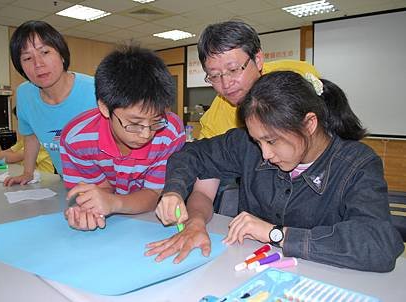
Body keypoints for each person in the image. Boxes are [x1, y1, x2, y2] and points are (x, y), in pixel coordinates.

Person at [148, 71, 404, 272]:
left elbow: (378, 244)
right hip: (247, 274)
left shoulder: (356, 164)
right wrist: (173, 191)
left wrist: (277, 234)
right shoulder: (248, 145)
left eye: (271, 141)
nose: (265, 154)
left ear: (309, 123)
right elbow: (191, 154)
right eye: (257, 141)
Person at [146, 20, 322, 260]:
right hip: (259, 234)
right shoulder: (217, 119)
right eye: (215, 76)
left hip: (315, 224)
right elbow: (204, 189)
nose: (226, 84)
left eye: (233, 69)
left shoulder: (296, 77)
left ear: (258, 60)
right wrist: (195, 221)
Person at [60, 45, 186, 231]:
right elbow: (96, 190)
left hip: (151, 223)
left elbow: (153, 194)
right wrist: (86, 208)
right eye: (134, 123)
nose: (146, 134)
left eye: (155, 121)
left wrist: (113, 203)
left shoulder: (169, 132)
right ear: (104, 107)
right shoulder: (77, 140)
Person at [4, 20, 97, 186]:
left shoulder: (96, 90)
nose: (38, 64)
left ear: (62, 54)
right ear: (20, 67)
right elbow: (31, 135)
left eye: (45, 52)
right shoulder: (25, 94)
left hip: (109, 185)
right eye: (27, 58)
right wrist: (27, 172)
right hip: (68, 183)